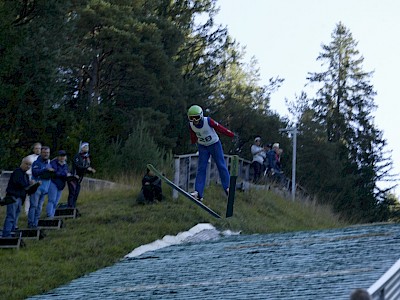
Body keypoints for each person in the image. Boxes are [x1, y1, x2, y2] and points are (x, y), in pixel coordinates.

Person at [187, 105, 235, 201]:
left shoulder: (207, 121)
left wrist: (231, 135)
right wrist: (193, 144)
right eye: (191, 118)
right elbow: (193, 136)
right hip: (203, 146)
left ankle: (227, 187)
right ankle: (198, 193)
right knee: (201, 168)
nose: (194, 120)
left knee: (221, 165)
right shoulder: (191, 125)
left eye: (196, 117)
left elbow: (220, 128)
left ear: (201, 116)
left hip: (214, 144)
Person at [2, 157, 40, 237]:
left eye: (30, 165)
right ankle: (6, 234)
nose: (28, 166)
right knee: (11, 216)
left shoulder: (26, 175)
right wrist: (30, 184)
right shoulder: (17, 172)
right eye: (26, 164)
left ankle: (12, 232)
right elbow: (20, 184)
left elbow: (28, 191)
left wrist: (35, 186)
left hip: (20, 198)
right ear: (22, 163)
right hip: (13, 197)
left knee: (15, 216)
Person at [28, 146, 54, 228]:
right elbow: (35, 172)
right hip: (37, 187)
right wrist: (45, 170)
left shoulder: (49, 163)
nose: (46, 154)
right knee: (34, 206)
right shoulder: (36, 162)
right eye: (44, 153)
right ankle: (30, 223)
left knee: (39, 207)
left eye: (47, 153)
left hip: (44, 188)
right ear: (41, 153)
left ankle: (36, 223)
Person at [67, 142, 96, 208]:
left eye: (87, 147)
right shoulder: (77, 156)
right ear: (81, 148)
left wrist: (90, 171)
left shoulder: (86, 158)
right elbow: (78, 167)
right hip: (73, 177)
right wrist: (87, 168)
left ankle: (73, 208)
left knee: (76, 194)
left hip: (79, 179)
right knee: (72, 193)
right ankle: (70, 208)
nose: (86, 149)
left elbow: (85, 168)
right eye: (85, 147)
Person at [46, 150, 70, 218]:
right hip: (53, 182)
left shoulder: (66, 165)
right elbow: (56, 172)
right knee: (52, 200)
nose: (62, 157)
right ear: (58, 157)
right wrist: (64, 174)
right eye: (61, 156)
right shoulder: (53, 163)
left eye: (64, 156)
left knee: (56, 202)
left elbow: (66, 173)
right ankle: (49, 214)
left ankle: (52, 215)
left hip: (61, 184)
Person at [24, 142, 42, 215]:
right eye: (36, 148)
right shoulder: (29, 158)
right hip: (30, 177)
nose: (38, 150)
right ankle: (27, 211)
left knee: (39, 195)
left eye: (39, 148)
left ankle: (37, 211)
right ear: (33, 149)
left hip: (40, 178)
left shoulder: (43, 158)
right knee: (29, 195)